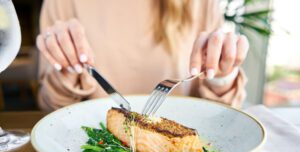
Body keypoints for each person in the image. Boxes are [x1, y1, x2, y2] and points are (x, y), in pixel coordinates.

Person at [36, 0, 249, 111]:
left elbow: (223, 115)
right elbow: (51, 107)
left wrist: (222, 75)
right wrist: (66, 69)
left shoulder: (202, 3)